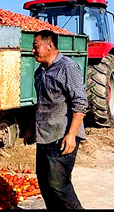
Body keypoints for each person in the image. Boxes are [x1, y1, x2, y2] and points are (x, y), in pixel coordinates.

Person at [24, 29, 87, 210]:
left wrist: (72, 135)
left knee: (58, 184)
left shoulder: (67, 67)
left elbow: (80, 103)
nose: (32, 51)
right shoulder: (39, 72)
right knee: (44, 182)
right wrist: (31, 128)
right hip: (44, 134)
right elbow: (42, 104)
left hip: (61, 135)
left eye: (36, 46)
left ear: (49, 45)